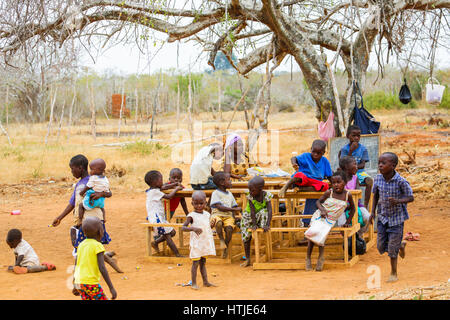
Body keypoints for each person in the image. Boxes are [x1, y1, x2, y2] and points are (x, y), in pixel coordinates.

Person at [51, 154, 121, 274]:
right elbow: (73, 203)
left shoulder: (93, 180)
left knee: (87, 245)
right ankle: (108, 261)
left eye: (72, 169)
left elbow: (109, 192)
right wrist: (59, 217)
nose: (71, 172)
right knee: (90, 245)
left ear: (80, 168)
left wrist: (101, 194)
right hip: (83, 218)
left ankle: (83, 272)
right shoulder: (79, 184)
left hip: (93, 218)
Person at [369, 152, 413, 283]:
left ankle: (393, 272)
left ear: (393, 166)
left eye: (383, 163)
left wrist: (398, 201)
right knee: (381, 247)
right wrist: (372, 212)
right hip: (382, 217)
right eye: (379, 163)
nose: (380, 166)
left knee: (392, 251)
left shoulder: (401, 181)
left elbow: (411, 197)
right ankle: (400, 245)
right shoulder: (377, 179)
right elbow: (375, 195)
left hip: (396, 219)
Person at [305, 171, 355, 271]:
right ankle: (308, 258)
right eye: (334, 182)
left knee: (321, 235)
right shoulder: (329, 192)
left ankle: (321, 256)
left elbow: (353, 209)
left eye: (338, 182)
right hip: (320, 216)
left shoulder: (347, 195)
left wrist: (347, 222)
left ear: (344, 182)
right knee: (313, 234)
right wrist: (322, 210)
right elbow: (318, 202)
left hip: (330, 220)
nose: (336, 184)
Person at [280, 139, 333, 230]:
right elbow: (294, 158)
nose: (315, 155)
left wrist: (334, 185)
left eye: (318, 153)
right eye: (313, 152)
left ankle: (306, 226)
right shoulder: (306, 156)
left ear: (323, 153)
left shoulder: (325, 162)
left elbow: (329, 177)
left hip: (312, 185)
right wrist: (294, 164)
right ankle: (287, 185)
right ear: (310, 149)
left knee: (324, 186)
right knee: (299, 175)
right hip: (302, 181)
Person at [73, 217, 117, 300]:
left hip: (79, 283)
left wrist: (74, 283)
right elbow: (102, 268)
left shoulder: (81, 245)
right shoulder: (97, 246)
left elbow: (76, 265)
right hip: (91, 284)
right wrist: (111, 287)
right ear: (100, 232)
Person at [181, 191, 217, 290]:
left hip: (204, 243)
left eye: (201, 203)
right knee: (195, 263)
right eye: (196, 204)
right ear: (192, 203)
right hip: (196, 243)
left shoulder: (206, 214)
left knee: (203, 262)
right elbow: (183, 228)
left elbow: (206, 226)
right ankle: (193, 283)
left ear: (205, 203)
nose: (199, 206)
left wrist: (211, 226)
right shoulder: (191, 215)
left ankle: (205, 282)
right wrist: (193, 228)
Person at [145, 170, 183, 256]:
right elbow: (169, 197)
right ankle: (177, 254)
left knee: (172, 232)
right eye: (160, 179)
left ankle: (155, 243)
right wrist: (176, 188)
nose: (163, 181)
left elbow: (164, 187)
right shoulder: (154, 192)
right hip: (156, 218)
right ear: (155, 182)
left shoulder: (154, 189)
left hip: (160, 217)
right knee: (168, 236)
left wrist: (174, 184)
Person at [240, 176, 273, 267]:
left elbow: (270, 210)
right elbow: (252, 211)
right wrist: (254, 225)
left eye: (253, 190)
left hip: (259, 217)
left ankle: (263, 226)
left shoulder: (266, 195)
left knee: (264, 211)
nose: (251, 192)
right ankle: (247, 259)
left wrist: (267, 224)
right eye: (249, 190)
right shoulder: (250, 196)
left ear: (260, 189)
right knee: (246, 238)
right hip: (248, 218)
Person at [338, 125, 373, 208]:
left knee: (369, 181)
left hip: (359, 172)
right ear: (347, 136)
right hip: (346, 173)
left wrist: (353, 167)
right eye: (354, 135)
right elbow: (343, 163)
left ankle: (364, 205)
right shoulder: (345, 149)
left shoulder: (363, 149)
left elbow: (362, 165)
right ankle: (344, 203)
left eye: (358, 136)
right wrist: (351, 151)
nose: (356, 138)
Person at [209, 171, 241, 258]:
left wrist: (234, 218)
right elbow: (219, 207)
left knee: (229, 229)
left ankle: (226, 246)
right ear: (222, 183)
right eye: (229, 180)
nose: (231, 182)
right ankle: (221, 239)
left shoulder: (230, 194)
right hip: (217, 214)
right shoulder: (215, 193)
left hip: (228, 216)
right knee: (218, 223)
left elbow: (234, 208)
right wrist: (233, 209)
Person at [337, 156, 371, 235]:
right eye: (355, 164)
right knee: (342, 224)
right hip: (342, 206)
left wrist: (352, 205)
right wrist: (346, 205)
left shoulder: (355, 178)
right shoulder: (338, 179)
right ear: (346, 167)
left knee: (368, 217)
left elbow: (358, 195)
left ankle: (359, 235)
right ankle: (347, 239)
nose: (357, 167)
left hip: (355, 205)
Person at [77, 158, 110, 224]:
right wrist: (102, 194)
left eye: (92, 169)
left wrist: (82, 192)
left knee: (81, 205)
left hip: (92, 200)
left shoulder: (93, 178)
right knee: (102, 208)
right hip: (101, 201)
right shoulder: (105, 179)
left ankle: (80, 220)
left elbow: (88, 186)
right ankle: (104, 218)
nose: (90, 171)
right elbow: (108, 192)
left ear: (100, 170)